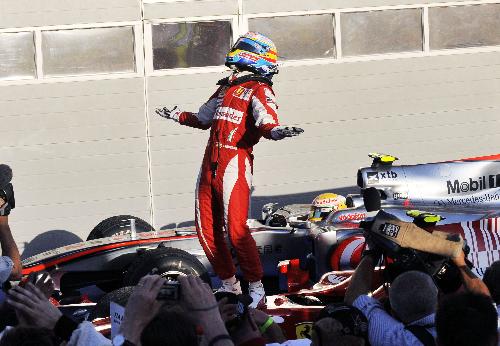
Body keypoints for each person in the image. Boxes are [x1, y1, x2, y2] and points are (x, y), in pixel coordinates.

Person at [156, 32, 304, 307]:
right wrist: (177, 115)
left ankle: (257, 287)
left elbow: (266, 122)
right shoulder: (226, 87)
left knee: (236, 229)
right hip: (209, 163)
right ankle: (229, 286)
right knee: (206, 230)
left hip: (234, 162)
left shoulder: (260, 89)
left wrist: (278, 131)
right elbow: (202, 118)